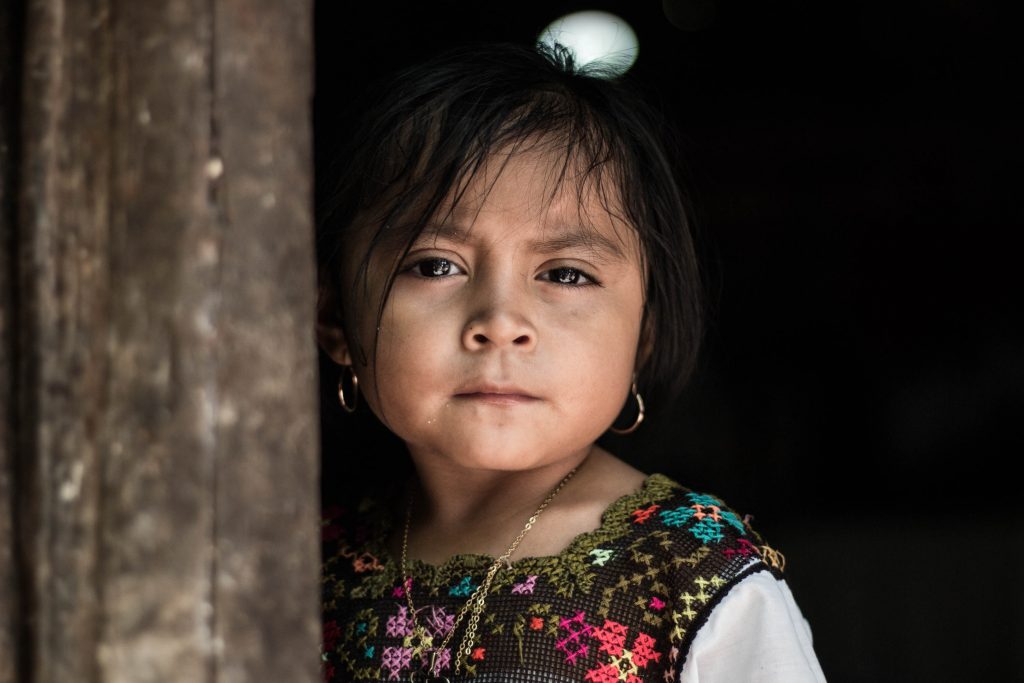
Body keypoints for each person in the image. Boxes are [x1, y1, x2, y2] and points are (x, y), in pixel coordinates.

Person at [316, 42, 825, 683]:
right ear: (335, 320)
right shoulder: (301, 565)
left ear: (645, 332)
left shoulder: (687, 570)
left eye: (565, 273)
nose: (501, 324)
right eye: (435, 265)